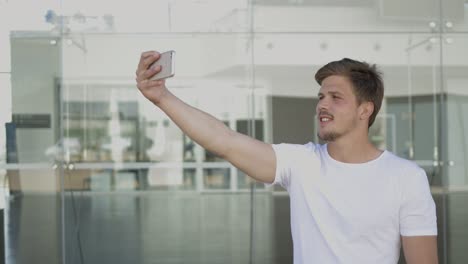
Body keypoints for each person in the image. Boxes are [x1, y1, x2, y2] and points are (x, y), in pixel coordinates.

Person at [135, 51, 438, 264]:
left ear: (365, 110)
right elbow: (223, 140)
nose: (323, 104)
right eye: (321, 97)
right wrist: (163, 97)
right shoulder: (301, 164)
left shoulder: (406, 178)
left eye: (336, 97)